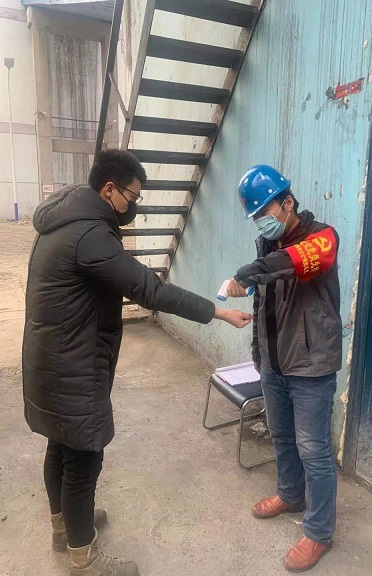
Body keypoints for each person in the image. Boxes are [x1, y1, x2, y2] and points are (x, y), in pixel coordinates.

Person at [22, 149, 252, 576]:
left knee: (61, 445)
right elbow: (151, 290)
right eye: (132, 196)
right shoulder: (90, 234)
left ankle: (64, 528)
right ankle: (83, 559)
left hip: (51, 358)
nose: (134, 206)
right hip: (73, 365)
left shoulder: (65, 222)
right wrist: (217, 312)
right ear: (108, 189)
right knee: (83, 460)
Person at [226, 165, 342, 573]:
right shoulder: (266, 243)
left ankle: (319, 532)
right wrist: (258, 350)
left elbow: (290, 263)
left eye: (264, 211)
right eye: (255, 215)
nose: (261, 220)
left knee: (314, 449)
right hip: (274, 363)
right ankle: (291, 494)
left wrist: (245, 274)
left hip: (310, 365)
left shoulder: (322, 238)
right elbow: (263, 301)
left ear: (288, 202)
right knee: (282, 436)